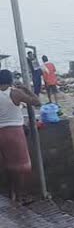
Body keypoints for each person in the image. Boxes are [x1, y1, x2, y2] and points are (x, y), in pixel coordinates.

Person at [0, 69, 40, 203]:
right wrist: (25, 89)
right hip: (15, 132)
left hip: (1, 132)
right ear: (10, 80)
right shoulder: (14, 93)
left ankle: (12, 193)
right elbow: (36, 101)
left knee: (9, 165)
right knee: (22, 166)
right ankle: (19, 196)